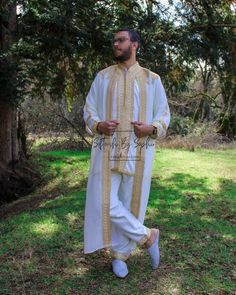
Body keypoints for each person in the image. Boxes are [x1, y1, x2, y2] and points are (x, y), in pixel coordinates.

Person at [83, 28, 170, 278]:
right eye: (114, 41)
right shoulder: (103, 77)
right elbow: (89, 109)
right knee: (104, 201)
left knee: (132, 201)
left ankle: (120, 255)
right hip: (106, 148)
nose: (115, 44)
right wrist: (98, 124)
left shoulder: (152, 79)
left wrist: (151, 128)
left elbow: (163, 114)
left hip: (139, 150)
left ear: (135, 45)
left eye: (120, 40)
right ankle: (148, 236)